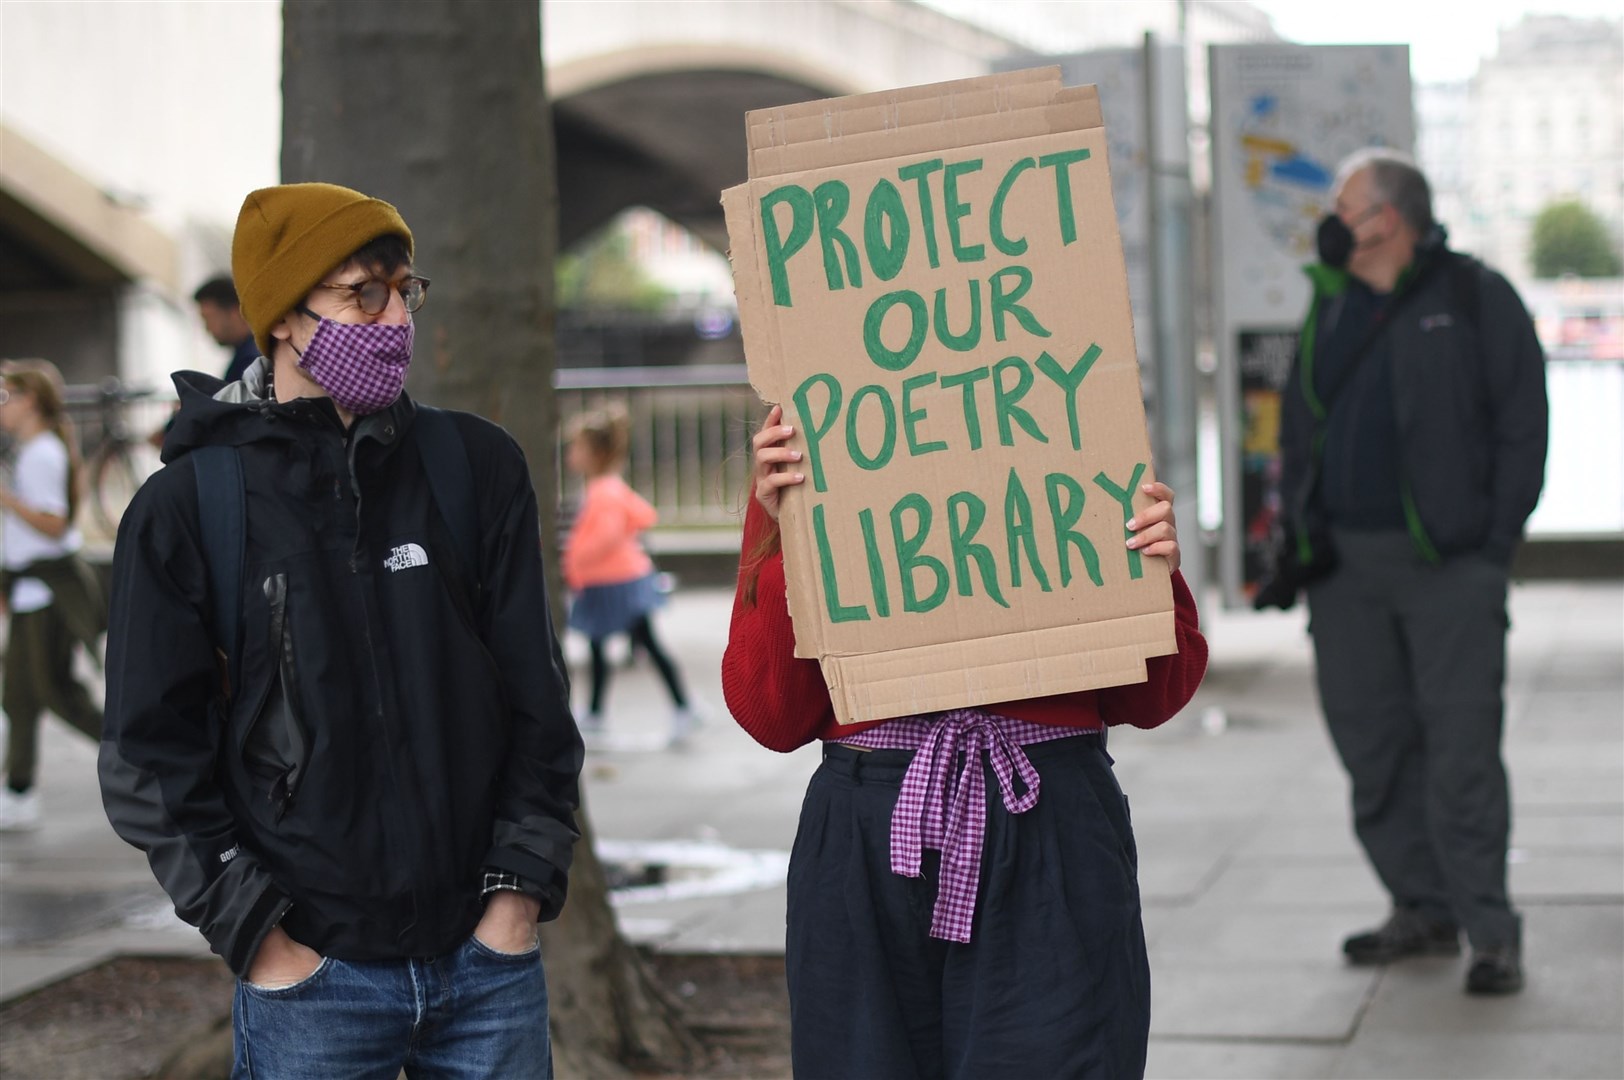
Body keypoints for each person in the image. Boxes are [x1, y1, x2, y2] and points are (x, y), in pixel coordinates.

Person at [99, 182, 583, 1077]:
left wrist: (514, 903)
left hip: (486, 966)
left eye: (405, 288)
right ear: (282, 315)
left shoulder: (475, 467)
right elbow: (146, 758)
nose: (395, 315)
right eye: (364, 293)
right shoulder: (189, 507)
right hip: (311, 986)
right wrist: (264, 942)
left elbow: (537, 704)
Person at [722, 404, 1208, 1078]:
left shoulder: (1061, 414)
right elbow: (771, 714)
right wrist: (782, 532)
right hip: (867, 835)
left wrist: (1154, 572)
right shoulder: (808, 430)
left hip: (1047, 823)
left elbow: (1155, 694)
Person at [1276, 149, 1547, 995]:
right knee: (1373, 745)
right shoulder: (1331, 306)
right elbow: (1300, 430)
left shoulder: (1475, 297)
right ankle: (1421, 907)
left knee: (1462, 750)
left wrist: (1491, 549)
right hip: (1344, 572)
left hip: (1449, 570)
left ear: (1385, 217)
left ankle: (1489, 929)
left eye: (1344, 202)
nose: (1331, 215)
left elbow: (1523, 425)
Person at [0, 360, 105, 832]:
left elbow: (54, 524)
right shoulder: (32, 450)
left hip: (49, 593)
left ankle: (147, 760)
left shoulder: (43, 453)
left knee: (58, 694)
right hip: (30, 590)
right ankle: (17, 791)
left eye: (5, 397)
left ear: (30, 402)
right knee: (20, 695)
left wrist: (7, 499)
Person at [562, 406, 698, 745]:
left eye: (576, 447)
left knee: (638, 644)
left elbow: (607, 534)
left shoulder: (602, 492)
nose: (571, 454)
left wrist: (575, 556)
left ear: (595, 453)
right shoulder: (607, 488)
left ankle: (683, 707)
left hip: (616, 582)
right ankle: (598, 713)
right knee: (606, 646)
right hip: (614, 581)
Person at [194, 276, 260, 384]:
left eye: (209, 318)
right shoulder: (246, 355)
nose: (207, 328)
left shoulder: (251, 361)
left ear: (235, 313)